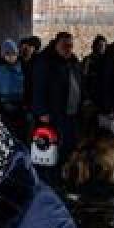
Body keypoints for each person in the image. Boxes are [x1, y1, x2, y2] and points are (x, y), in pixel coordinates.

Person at [31, 32, 84, 173]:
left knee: (68, 145)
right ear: (56, 44)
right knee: (51, 146)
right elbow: (37, 87)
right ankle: (49, 178)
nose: (68, 48)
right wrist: (41, 111)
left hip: (71, 111)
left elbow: (79, 83)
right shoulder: (45, 61)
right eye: (64, 45)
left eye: (70, 45)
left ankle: (63, 175)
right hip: (53, 112)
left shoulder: (73, 61)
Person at [0, 39, 26, 141]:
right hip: (3, 107)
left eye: (14, 54)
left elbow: (26, 86)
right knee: (5, 135)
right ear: (3, 55)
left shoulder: (22, 67)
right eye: (8, 54)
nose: (11, 57)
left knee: (20, 135)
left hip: (20, 106)